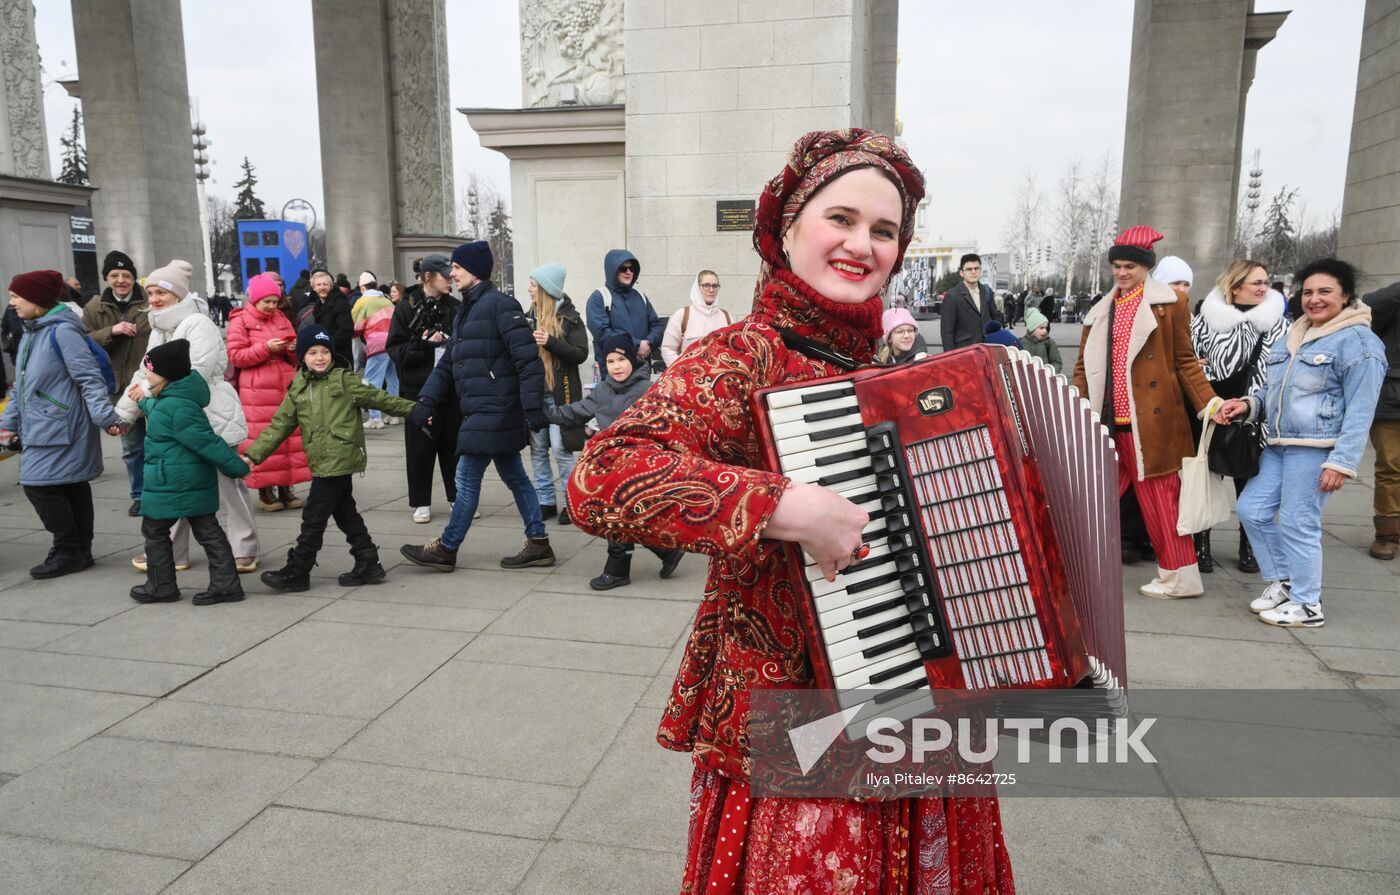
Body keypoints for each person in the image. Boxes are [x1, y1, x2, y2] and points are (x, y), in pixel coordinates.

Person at [567, 129, 1012, 892]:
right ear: (789, 229)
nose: (861, 244)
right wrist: (783, 505)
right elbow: (601, 475)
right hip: (792, 706)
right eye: (841, 218)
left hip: (915, 690)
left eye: (883, 230)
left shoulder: (892, 369)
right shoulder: (744, 355)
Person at [1222, 258, 1386, 627]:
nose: (1314, 299)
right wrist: (1247, 405)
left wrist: (1342, 462)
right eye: (1308, 292)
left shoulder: (1359, 342)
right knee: (1252, 509)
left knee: (1299, 522)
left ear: (1345, 296)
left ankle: (1308, 604)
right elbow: (1270, 391)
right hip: (1279, 444)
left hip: (1317, 449)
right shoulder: (1293, 334)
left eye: (1325, 291)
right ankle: (1285, 582)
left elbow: (1362, 409)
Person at [1072, 226, 1221, 599]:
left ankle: (1180, 578)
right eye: (1117, 266)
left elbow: (1184, 360)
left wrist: (1209, 403)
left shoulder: (1170, 303)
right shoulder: (1099, 311)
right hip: (1106, 424)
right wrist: (1071, 408)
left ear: (1146, 268)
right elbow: (1082, 369)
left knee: (1162, 503)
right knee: (1086, 501)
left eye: (1130, 267)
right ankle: (1071, 573)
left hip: (1152, 425)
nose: (1122, 273)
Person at [400, 241, 555, 572]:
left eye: (456, 267)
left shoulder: (500, 306)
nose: (452, 273)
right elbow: (449, 363)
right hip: (482, 408)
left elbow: (528, 361)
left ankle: (446, 547)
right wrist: (426, 399)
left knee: (466, 477)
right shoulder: (466, 310)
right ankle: (538, 542)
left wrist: (532, 409)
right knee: (515, 475)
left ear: (474, 270)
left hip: (495, 409)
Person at [115, 261, 260, 575]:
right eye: (150, 292)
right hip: (174, 416)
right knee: (178, 483)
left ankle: (244, 547)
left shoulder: (197, 323)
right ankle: (173, 553)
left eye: (161, 292)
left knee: (228, 485)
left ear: (177, 294)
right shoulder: (159, 328)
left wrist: (146, 392)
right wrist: (124, 412)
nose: (153, 298)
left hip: (211, 413)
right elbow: (146, 372)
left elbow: (196, 371)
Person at [247, 325, 417, 591]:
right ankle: (368, 560)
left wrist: (416, 410)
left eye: (324, 351)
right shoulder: (299, 387)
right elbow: (279, 425)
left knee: (314, 516)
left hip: (340, 457)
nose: (319, 357)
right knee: (344, 511)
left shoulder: (344, 379)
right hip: (320, 458)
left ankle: (300, 569)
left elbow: (379, 398)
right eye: (312, 352)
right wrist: (254, 455)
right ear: (302, 356)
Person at [0, 270, 123, 578]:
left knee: (37, 485)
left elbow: (88, 377)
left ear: (37, 299)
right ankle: (80, 550)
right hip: (46, 423)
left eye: (16, 296)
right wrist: (8, 423)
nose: (11, 302)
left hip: (61, 425)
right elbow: (24, 384)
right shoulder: (32, 331)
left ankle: (68, 549)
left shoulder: (62, 331)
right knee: (70, 484)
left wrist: (105, 417)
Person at [547, 334, 681, 588]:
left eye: (621, 359)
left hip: (638, 464)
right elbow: (579, 411)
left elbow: (665, 424)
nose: (617, 366)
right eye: (610, 361)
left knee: (614, 512)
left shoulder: (646, 390)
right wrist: (547, 415)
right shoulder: (604, 389)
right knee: (622, 513)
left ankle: (618, 567)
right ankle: (666, 551)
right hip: (609, 463)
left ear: (631, 359)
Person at [129, 339, 250, 605]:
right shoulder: (169, 400)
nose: (146, 374)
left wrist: (237, 467)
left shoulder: (179, 407)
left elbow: (208, 443)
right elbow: (160, 412)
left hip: (177, 482)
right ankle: (222, 584)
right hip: (179, 480)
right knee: (204, 530)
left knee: (157, 530)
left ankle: (164, 586)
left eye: (150, 370)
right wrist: (143, 400)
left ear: (167, 375)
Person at [1188, 259, 1287, 574]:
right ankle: (1200, 544)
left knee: (1251, 481)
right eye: (1255, 282)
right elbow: (1188, 360)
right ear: (1234, 285)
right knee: (1205, 478)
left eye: (1264, 282)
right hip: (1211, 408)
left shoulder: (1280, 323)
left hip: (1255, 411)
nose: (1263, 288)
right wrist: (1196, 368)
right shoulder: (1204, 320)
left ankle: (1250, 546)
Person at [386, 253, 461, 523]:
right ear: (428, 277)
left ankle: (457, 497)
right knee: (419, 448)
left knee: (453, 446)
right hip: (416, 389)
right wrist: (423, 344)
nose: (451, 279)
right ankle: (421, 502)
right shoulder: (406, 306)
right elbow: (395, 349)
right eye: (445, 275)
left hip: (450, 389)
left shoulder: (454, 306)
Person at [226, 273, 310, 512]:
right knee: (263, 438)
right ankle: (266, 492)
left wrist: (293, 349)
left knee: (288, 438)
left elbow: (296, 356)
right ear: (255, 299)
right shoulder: (240, 321)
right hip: (258, 391)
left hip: (285, 385)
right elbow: (236, 357)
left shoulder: (281, 317)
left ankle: (286, 488)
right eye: (268, 302)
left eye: (275, 301)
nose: (273, 306)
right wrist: (266, 348)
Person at [82, 249, 152, 516]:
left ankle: (161, 492)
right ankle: (140, 495)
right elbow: (83, 341)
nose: (121, 280)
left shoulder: (149, 301)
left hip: (151, 384)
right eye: (114, 275)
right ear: (106, 278)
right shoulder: (94, 307)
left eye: (126, 275)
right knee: (132, 446)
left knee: (158, 442)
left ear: (134, 278)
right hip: (119, 389)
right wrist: (111, 331)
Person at [525, 263, 587, 525]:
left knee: (561, 450)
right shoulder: (529, 315)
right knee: (538, 450)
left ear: (545, 290)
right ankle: (545, 502)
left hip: (560, 395)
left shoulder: (571, 318)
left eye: (533, 285)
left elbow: (580, 354)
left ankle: (570, 503)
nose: (529, 289)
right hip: (535, 394)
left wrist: (551, 342)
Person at [1365, 280, 1400, 559]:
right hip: (1392, 396)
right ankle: (1387, 532)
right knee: (1390, 465)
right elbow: (1369, 306)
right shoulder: (1392, 299)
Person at [585, 249, 662, 372]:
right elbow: (602, 333)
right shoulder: (599, 298)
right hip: (615, 373)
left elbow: (656, 325)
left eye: (632, 268)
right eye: (623, 268)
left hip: (642, 369)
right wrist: (636, 346)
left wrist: (647, 344)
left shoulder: (640, 296)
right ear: (612, 270)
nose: (628, 272)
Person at [351, 280, 399, 429]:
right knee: (392, 379)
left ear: (362, 288)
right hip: (393, 343)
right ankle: (393, 414)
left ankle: (375, 417)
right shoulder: (386, 300)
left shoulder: (363, 301)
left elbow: (356, 326)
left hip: (376, 344)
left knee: (372, 382)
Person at [660, 270, 733, 365]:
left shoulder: (727, 317)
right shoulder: (682, 315)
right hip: (688, 376)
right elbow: (668, 348)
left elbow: (733, 350)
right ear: (697, 287)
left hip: (719, 377)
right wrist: (679, 370)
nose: (711, 290)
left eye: (715, 286)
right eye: (706, 285)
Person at [295, 270, 354, 367]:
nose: (322, 287)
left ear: (331, 286)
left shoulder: (340, 303)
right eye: (318, 285)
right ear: (314, 288)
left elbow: (346, 330)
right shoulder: (319, 305)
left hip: (339, 357)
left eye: (325, 284)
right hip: (326, 355)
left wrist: (327, 344)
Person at [940, 252, 993, 351]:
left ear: (981, 270)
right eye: (969, 269)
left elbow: (995, 317)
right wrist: (950, 359)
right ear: (961, 272)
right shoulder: (952, 295)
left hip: (987, 349)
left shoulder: (987, 291)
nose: (973, 272)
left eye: (976, 268)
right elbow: (947, 332)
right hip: (964, 352)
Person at [1021, 307, 1062, 372]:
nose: (1045, 331)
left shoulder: (1049, 342)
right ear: (1032, 328)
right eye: (1041, 328)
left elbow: (1057, 363)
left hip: (1046, 379)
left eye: (1046, 328)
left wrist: (1049, 374)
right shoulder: (1020, 343)